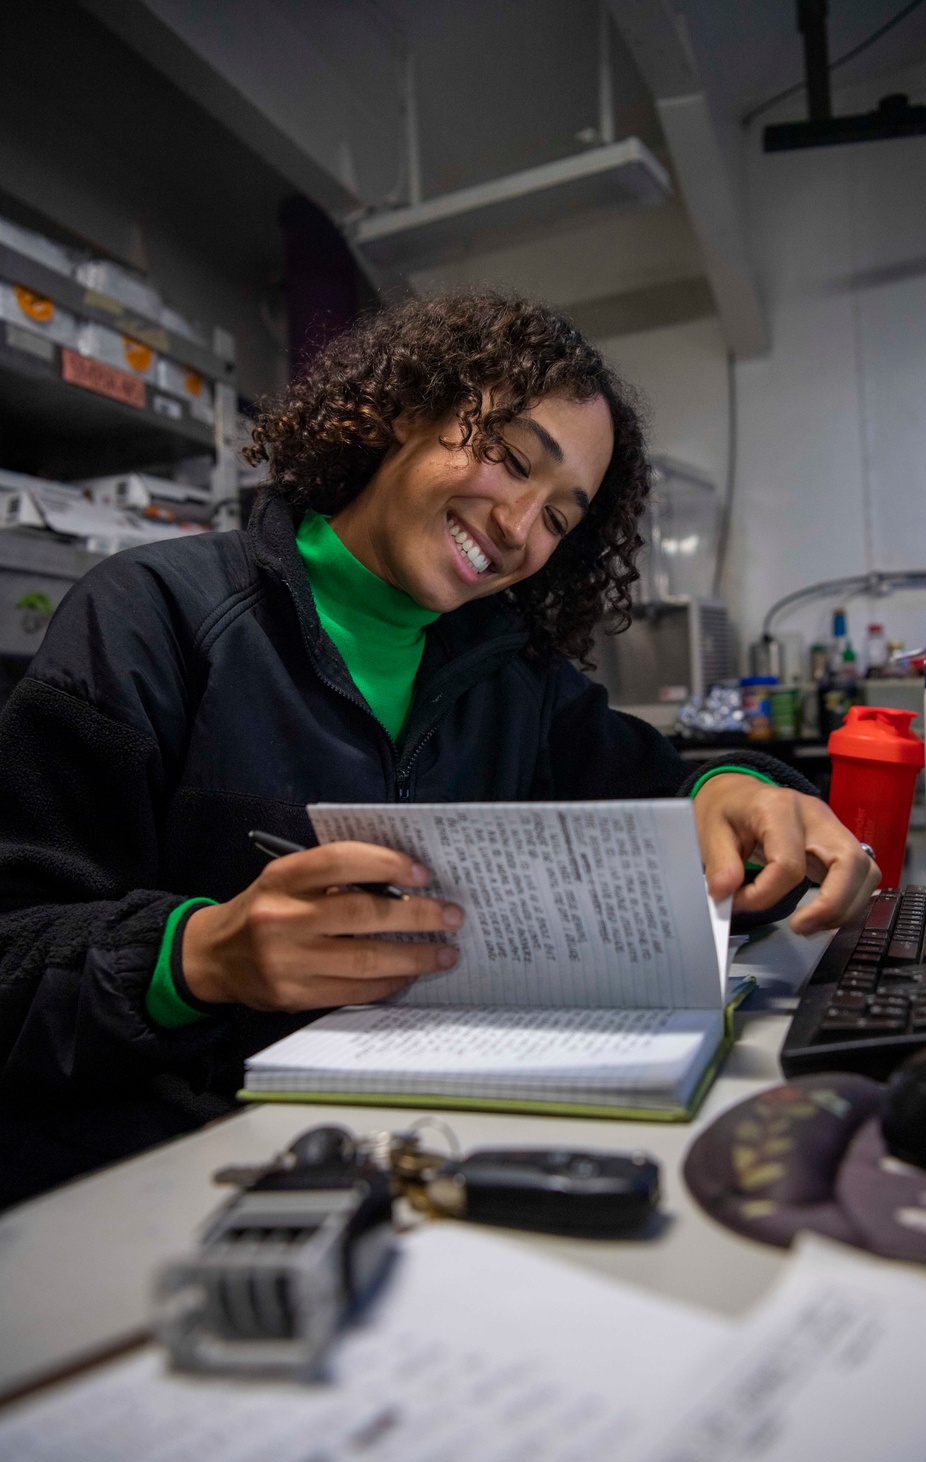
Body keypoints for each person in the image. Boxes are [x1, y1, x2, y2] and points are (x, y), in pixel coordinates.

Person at [0, 291, 878, 1206]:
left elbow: (674, 792)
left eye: (559, 520)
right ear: (405, 408)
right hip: (167, 1187)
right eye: (509, 459)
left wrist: (737, 790)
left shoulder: (511, 679)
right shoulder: (153, 617)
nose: (517, 529)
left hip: (426, 1159)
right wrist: (200, 957)